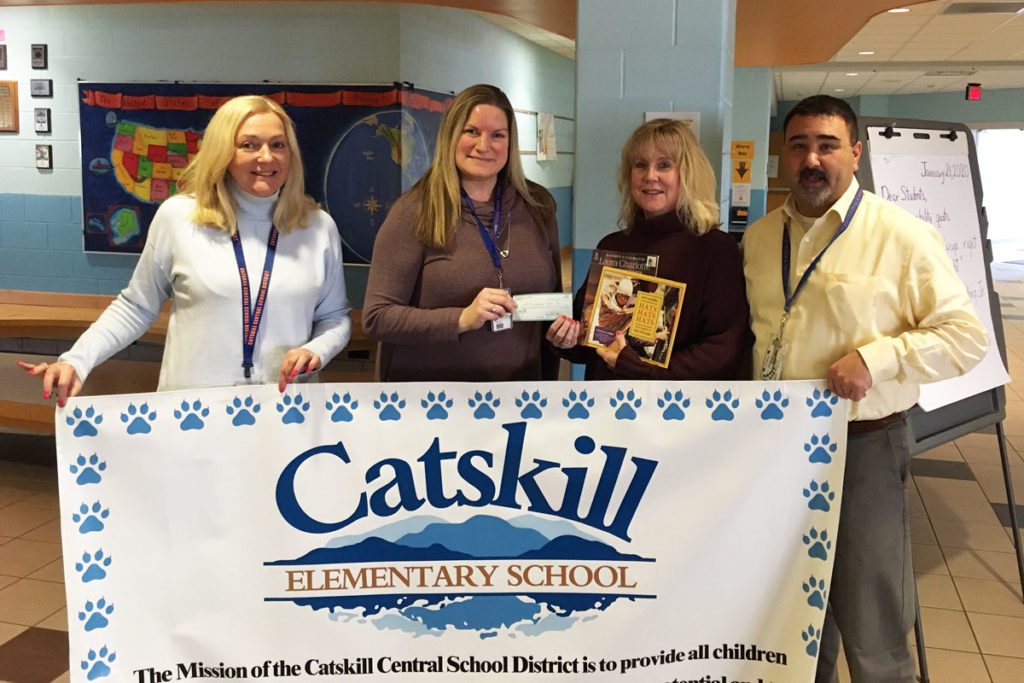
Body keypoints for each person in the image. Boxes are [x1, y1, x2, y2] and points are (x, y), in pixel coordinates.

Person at [742, 95, 986, 682]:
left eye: (827, 145)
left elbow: (965, 338)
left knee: (874, 621)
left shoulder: (902, 236)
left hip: (865, 447)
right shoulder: (756, 238)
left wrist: (877, 360)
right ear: (784, 153)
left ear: (855, 152)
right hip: (775, 451)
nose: (812, 159)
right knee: (796, 614)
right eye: (799, 145)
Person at [19, 95, 351, 403]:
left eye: (278, 145)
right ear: (223, 153)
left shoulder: (317, 227)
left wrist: (318, 349)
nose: (266, 157)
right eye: (249, 145)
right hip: (194, 412)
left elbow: (335, 317)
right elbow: (136, 307)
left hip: (286, 407)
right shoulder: (179, 218)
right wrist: (77, 361)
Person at [363, 84, 561, 382]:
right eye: (471, 131)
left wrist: (565, 334)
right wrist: (462, 318)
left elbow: (550, 307)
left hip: (518, 397)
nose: (484, 145)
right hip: (434, 405)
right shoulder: (414, 210)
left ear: (511, 142)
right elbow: (377, 317)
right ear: (451, 135)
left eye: (498, 135)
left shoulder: (538, 206)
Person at [548, 118, 751, 380]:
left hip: (673, 411)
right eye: (640, 165)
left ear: (687, 174)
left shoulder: (716, 250)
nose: (650, 176)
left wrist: (640, 370)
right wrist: (566, 340)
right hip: (606, 407)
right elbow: (588, 343)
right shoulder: (612, 245)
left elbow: (721, 351)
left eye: (664, 165)